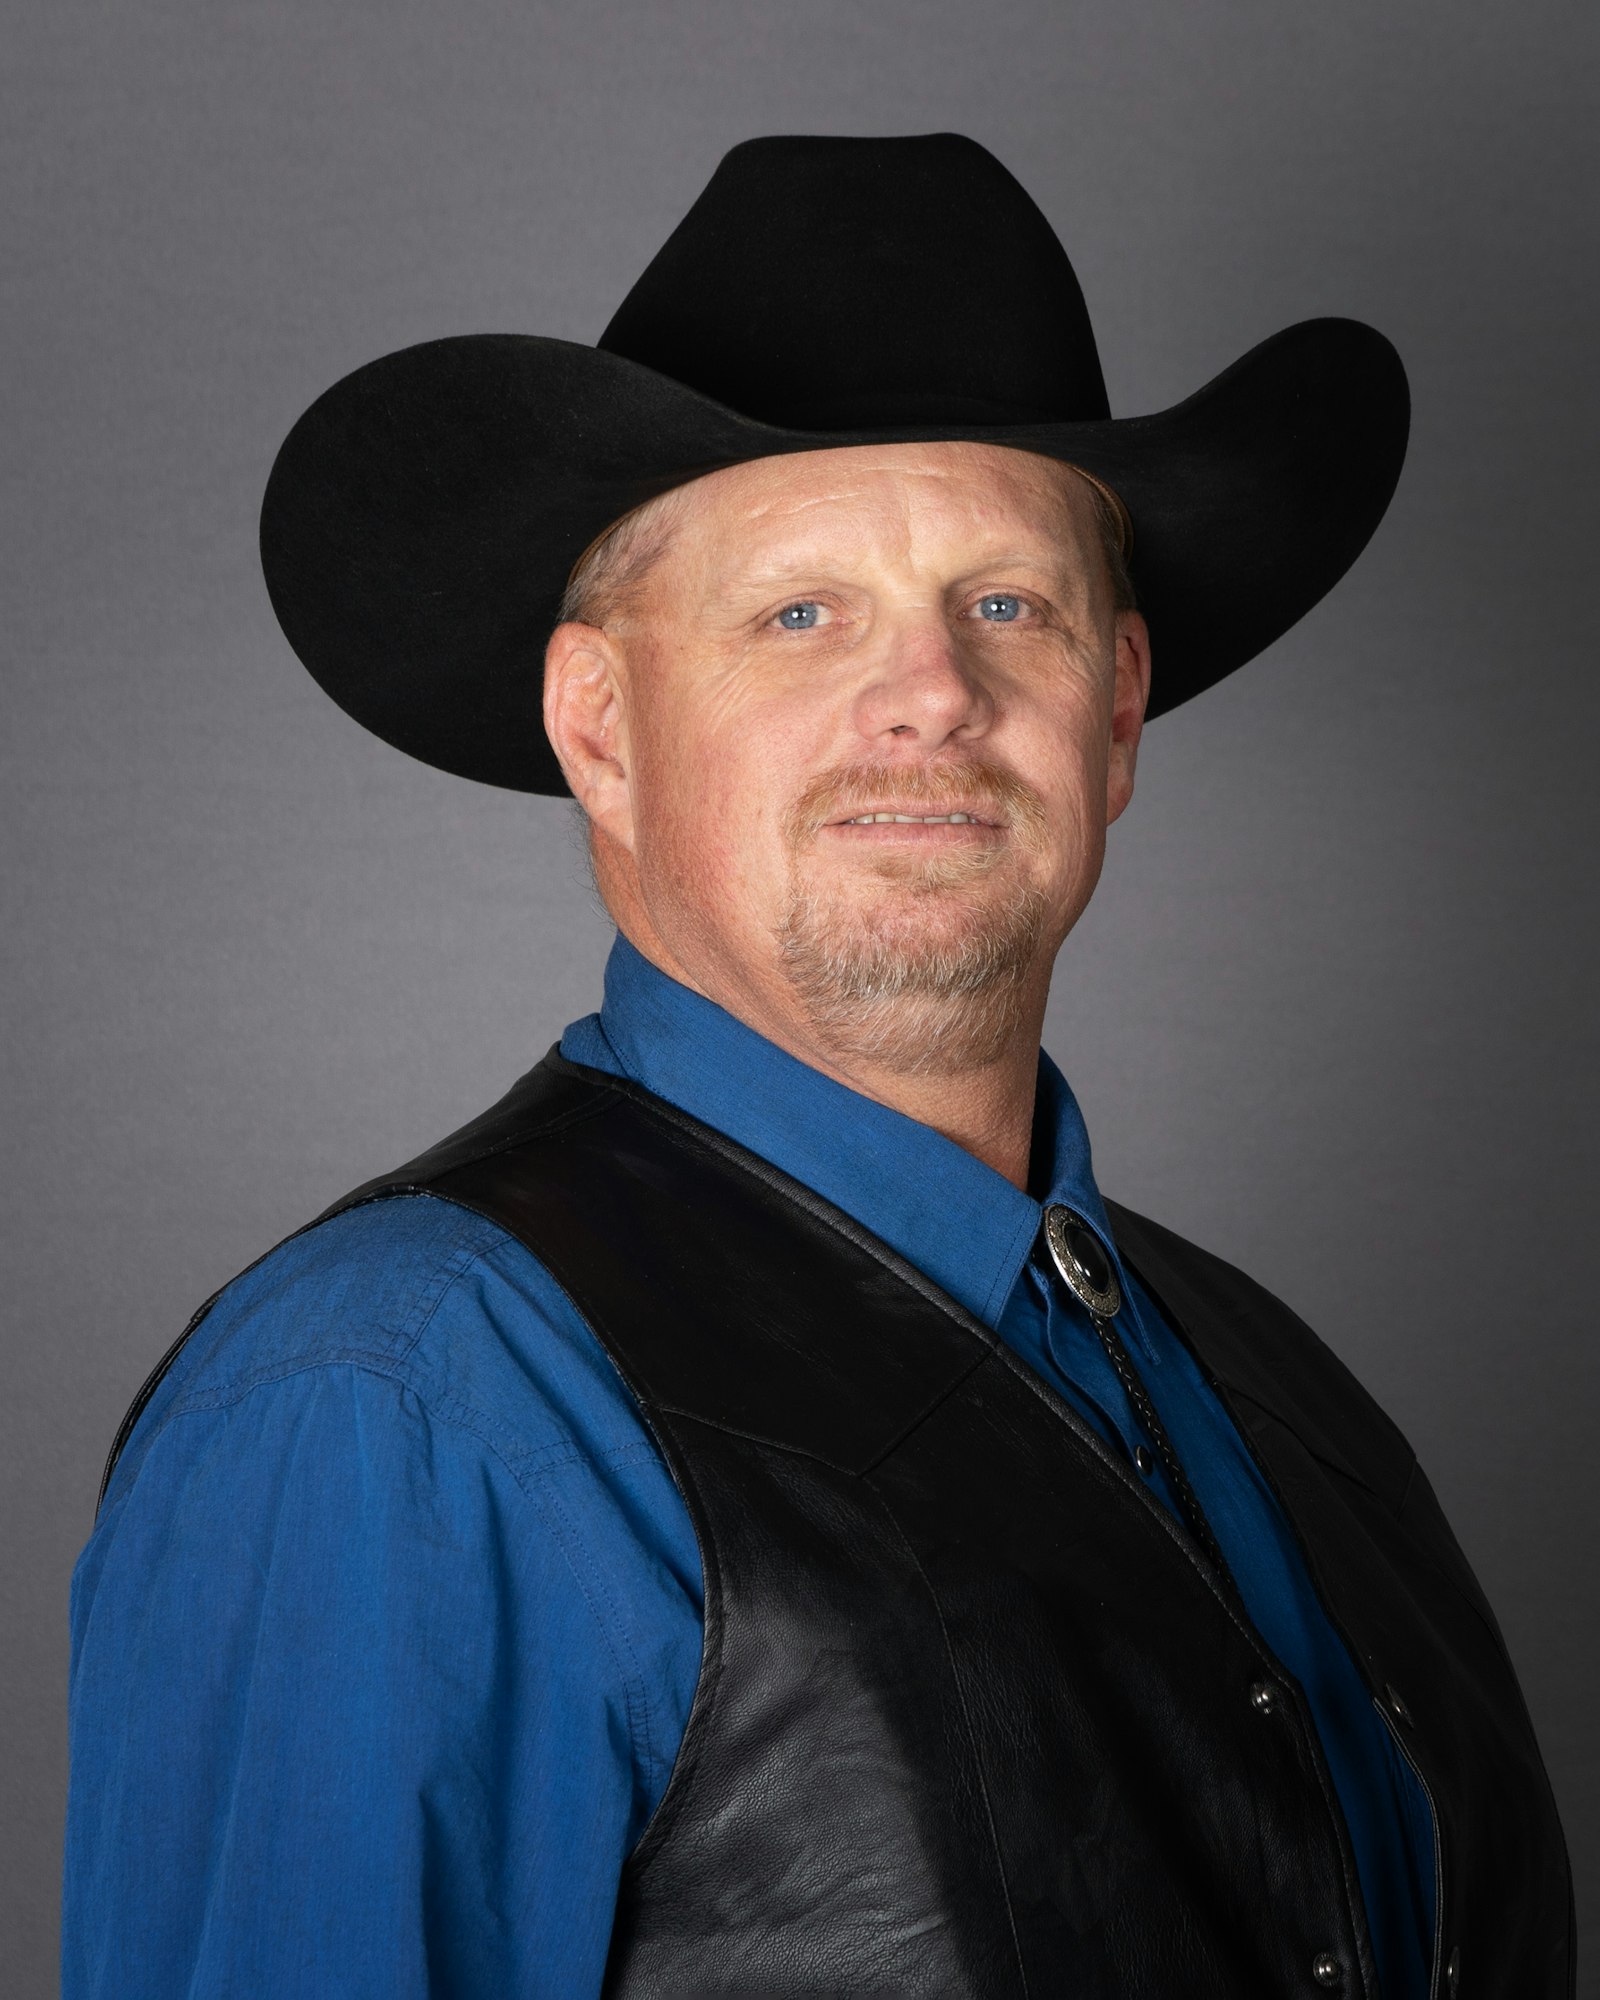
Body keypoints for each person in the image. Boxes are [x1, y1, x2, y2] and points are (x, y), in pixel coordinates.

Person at [62, 133, 1572, 1998]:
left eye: (1007, 604)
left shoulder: (1287, 1401)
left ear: (1113, 715)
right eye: (802, 613)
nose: (933, 690)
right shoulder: (400, 1406)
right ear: (600, 727)